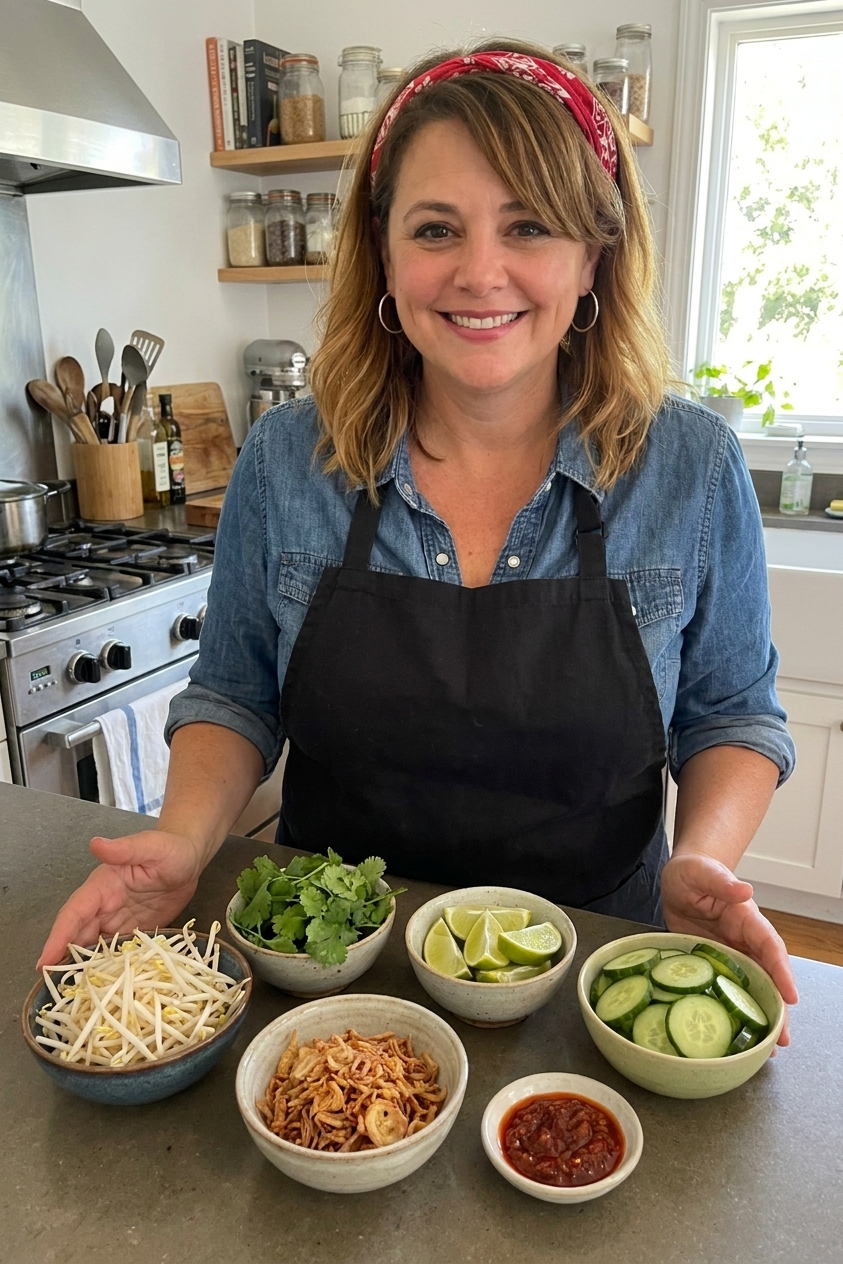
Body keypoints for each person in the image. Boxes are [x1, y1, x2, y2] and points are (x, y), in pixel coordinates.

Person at [39, 40, 798, 1034]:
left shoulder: (688, 467)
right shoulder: (285, 458)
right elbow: (233, 693)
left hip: (592, 979)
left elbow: (730, 717)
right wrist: (183, 839)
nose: (481, 273)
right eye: (437, 228)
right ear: (386, 254)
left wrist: (701, 858)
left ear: (593, 254)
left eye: (528, 225)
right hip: (330, 973)